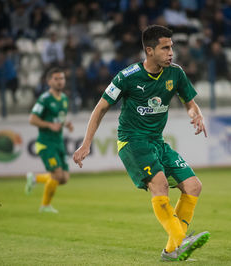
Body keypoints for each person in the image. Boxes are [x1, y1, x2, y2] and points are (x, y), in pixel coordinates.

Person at [73, 25, 210, 261]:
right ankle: (180, 239)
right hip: (132, 142)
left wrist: (195, 114)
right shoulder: (127, 77)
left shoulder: (176, 73)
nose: (171, 52)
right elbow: (100, 108)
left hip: (157, 142)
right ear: (149, 50)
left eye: (172, 47)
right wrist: (86, 144)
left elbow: (189, 102)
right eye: (165, 48)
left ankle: (171, 250)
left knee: (193, 186)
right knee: (160, 185)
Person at [25, 68, 74, 213]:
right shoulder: (44, 99)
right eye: (56, 79)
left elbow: (60, 118)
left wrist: (66, 124)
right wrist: (49, 125)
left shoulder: (64, 99)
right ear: (49, 81)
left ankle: (34, 178)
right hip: (46, 142)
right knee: (57, 175)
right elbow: (32, 119)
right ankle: (45, 206)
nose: (60, 82)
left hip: (58, 142)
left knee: (64, 178)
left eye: (62, 79)